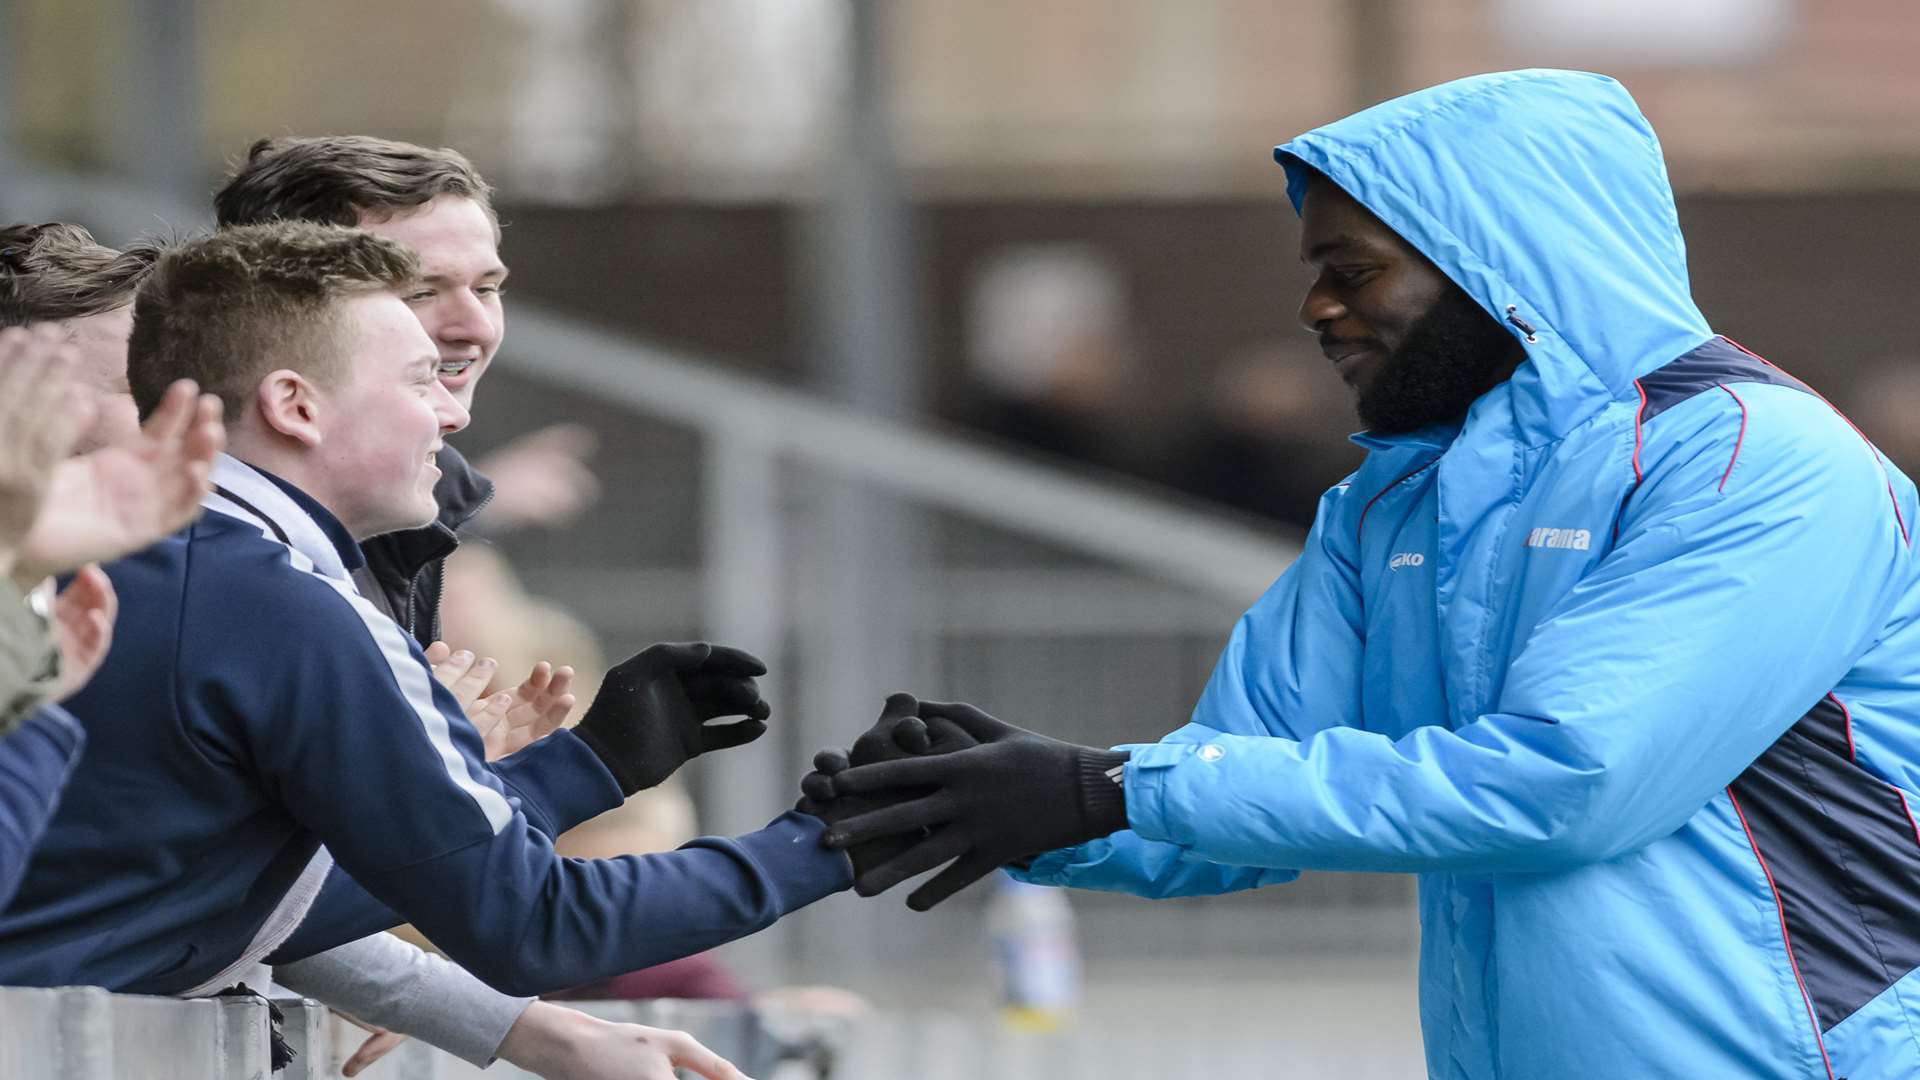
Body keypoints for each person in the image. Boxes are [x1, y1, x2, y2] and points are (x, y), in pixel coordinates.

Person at [810, 70, 1920, 1079]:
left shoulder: (1756, 463)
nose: (1315, 310)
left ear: (1505, 260)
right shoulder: (1395, 500)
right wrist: (1013, 802)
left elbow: (1567, 784)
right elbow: (1241, 783)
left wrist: (1113, 784)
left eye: (1354, 273)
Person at [0, 224, 852, 1017]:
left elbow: (206, 900)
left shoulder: (175, 572)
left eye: (490, 284)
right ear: (294, 403)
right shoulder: (275, 601)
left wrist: (581, 770)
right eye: (419, 379)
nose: (453, 414)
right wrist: (845, 839)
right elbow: (536, 926)